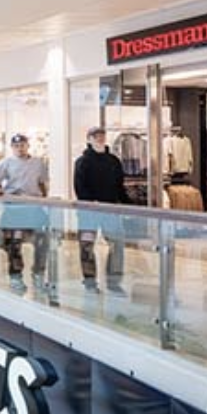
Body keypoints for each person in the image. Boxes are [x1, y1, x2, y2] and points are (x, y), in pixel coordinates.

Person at [0, 134, 51, 294]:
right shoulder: (6, 162)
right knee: (14, 243)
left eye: (22, 145)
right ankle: (16, 276)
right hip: (14, 207)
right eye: (16, 146)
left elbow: (42, 184)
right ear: (12, 147)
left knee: (42, 241)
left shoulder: (38, 163)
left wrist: (44, 201)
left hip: (34, 207)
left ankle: (38, 275)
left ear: (27, 146)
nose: (20, 148)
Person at [73, 126, 130, 294]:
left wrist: (129, 205)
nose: (99, 138)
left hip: (110, 210)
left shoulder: (113, 161)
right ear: (89, 139)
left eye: (101, 135)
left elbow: (119, 187)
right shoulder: (82, 162)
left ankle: (114, 282)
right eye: (95, 136)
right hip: (88, 212)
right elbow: (79, 187)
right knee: (86, 245)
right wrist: (91, 203)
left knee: (117, 244)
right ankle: (90, 281)